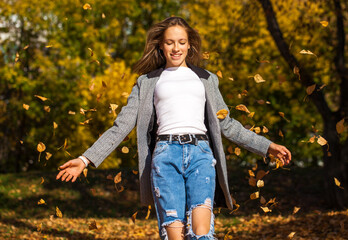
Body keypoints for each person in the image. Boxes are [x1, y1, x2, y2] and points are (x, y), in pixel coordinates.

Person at [56, 16, 291, 240]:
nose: (176, 48)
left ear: (190, 46)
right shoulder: (146, 82)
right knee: (173, 234)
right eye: (169, 42)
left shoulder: (206, 79)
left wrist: (267, 146)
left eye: (181, 42)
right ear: (160, 46)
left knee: (202, 233)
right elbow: (122, 125)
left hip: (201, 155)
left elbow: (226, 124)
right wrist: (85, 159)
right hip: (165, 157)